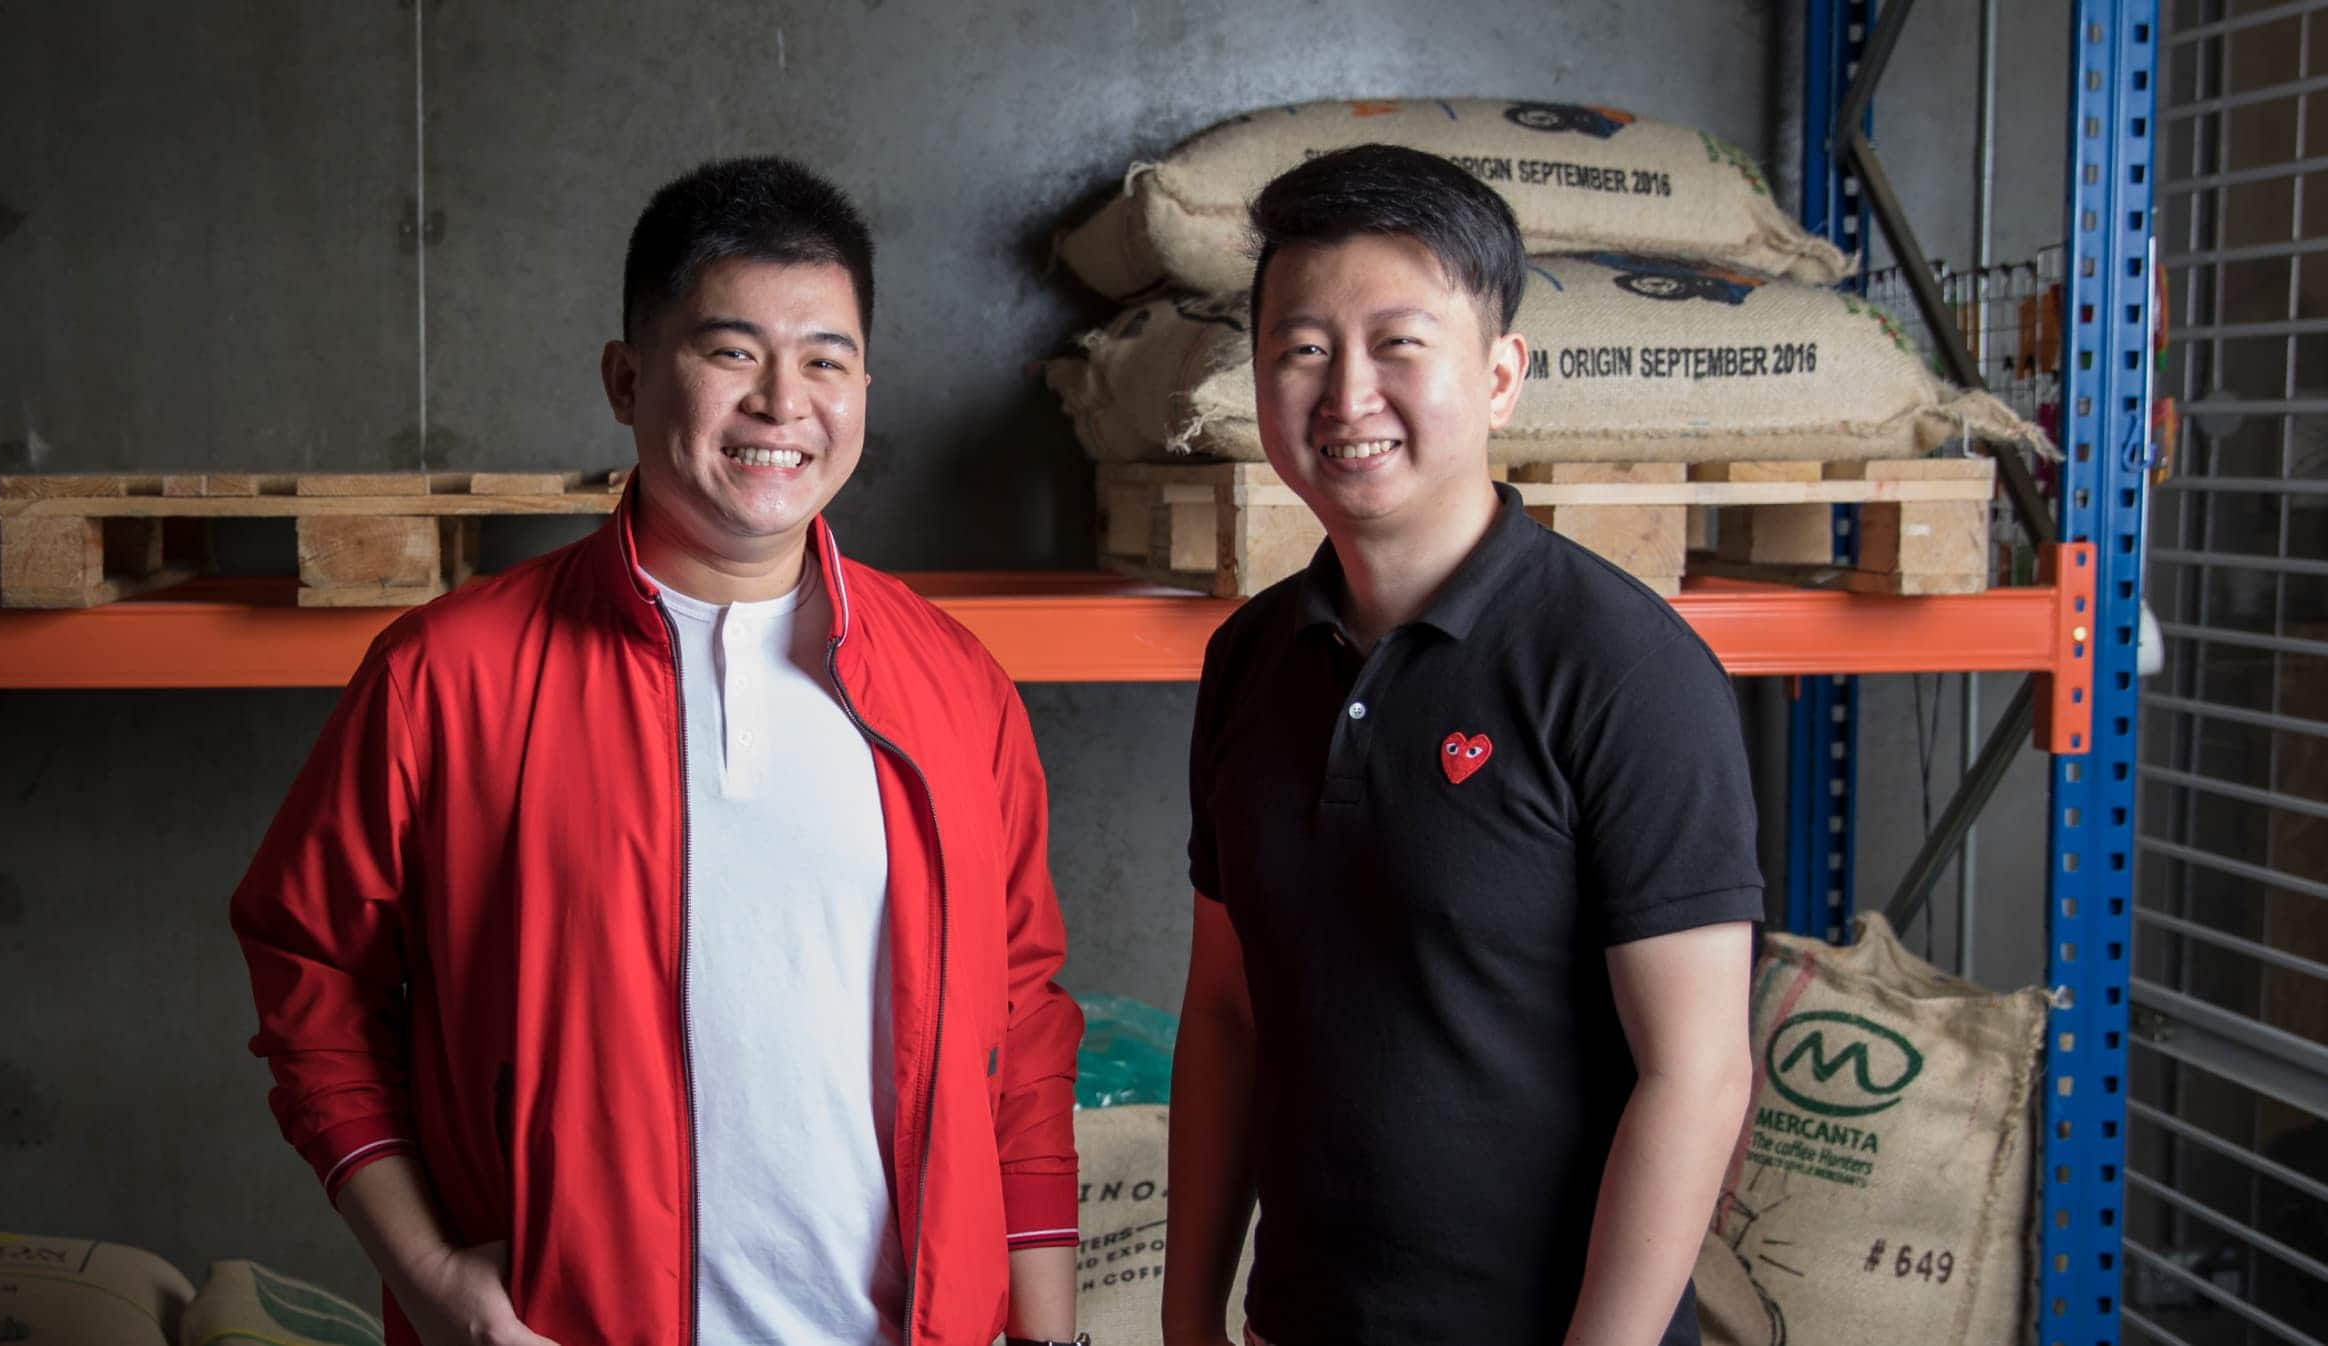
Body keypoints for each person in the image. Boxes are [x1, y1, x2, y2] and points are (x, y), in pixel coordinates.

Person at [232, 156, 1083, 1346]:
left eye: (826, 360)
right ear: (627, 380)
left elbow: (1023, 1022)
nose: (784, 404)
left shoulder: (953, 686)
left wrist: (1048, 1335)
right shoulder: (448, 677)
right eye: (732, 352)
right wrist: (430, 1275)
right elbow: (312, 981)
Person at [1162, 144, 1761, 1346]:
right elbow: (1226, 1012)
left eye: (1397, 343)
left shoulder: (1622, 669)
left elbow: (1695, 1073)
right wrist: (1188, 1318)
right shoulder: (1249, 661)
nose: (1345, 398)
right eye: (1302, 349)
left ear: (1498, 377)